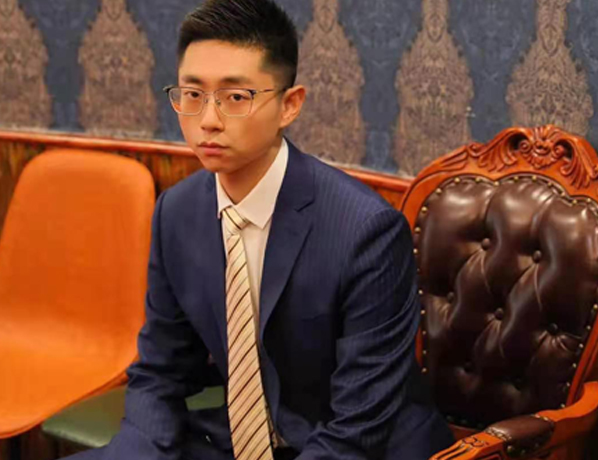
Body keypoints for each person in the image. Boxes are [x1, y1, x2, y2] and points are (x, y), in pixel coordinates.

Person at [64, 1, 453, 459]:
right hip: (238, 439)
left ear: (290, 105)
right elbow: (160, 372)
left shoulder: (365, 230)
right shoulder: (177, 212)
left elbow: (359, 427)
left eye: (235, 97)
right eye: (192, 94)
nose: (208, 120)